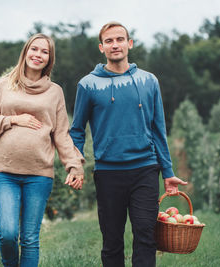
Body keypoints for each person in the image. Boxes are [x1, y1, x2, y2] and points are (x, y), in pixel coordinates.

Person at [69, 22, 188, 267]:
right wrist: (74, 165)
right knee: (112, 241)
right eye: (109, 41)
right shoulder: (88, 85)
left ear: (129, 44)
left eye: (120, 39)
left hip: (145, 169)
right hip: (108, 172)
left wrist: (168, 172)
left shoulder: (149, 81)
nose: (115, 45)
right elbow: (77, 130)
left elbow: (158, 129)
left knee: (145, 237)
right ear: (101, 47)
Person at [0, 33, 84, 267]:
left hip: (39, 174)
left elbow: (61, 134)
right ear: (25, 52)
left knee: (29, 239)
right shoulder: (4, 85)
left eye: (44, 52)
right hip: (5, 172)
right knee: (7, 234)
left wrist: (74, 165)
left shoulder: (54, 91)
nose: (38, 55)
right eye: (34, 49)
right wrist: (14, 120)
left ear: (49, 59)